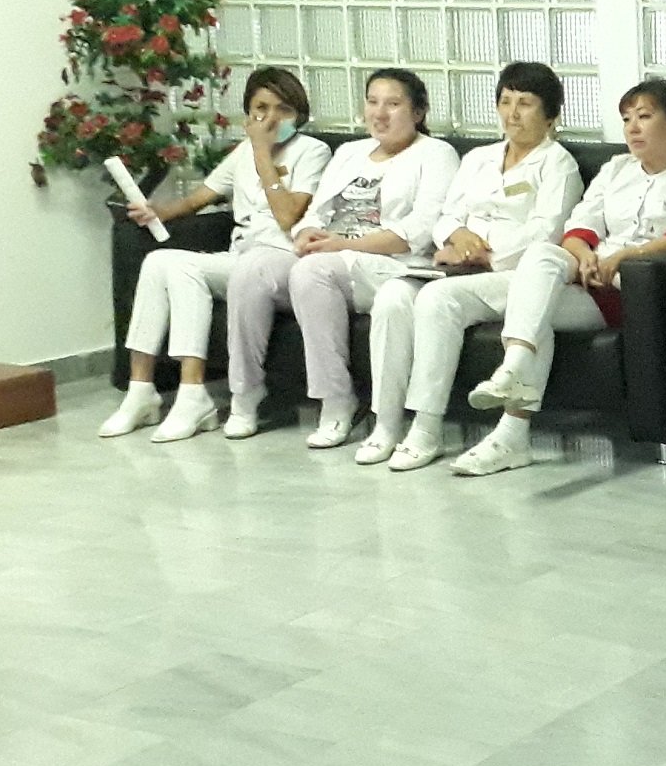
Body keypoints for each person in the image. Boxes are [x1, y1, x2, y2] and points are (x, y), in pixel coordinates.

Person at [456, 78, 666, 477]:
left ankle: (511, 420)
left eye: (644, 117)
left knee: (534, 307)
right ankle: (513, 391)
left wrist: (626, 257)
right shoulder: (617, 168)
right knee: (541, 262)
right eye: (627, 119)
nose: (633, 128)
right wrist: (584, 255)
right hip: (591, 280)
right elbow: (580, 224)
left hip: (638, 290)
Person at [352, 62, 583, 471]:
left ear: (550, 115)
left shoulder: (558, 164)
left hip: (512, 274)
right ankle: (386, 424)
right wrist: (457, 237)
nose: (512, 113)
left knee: (437, 300)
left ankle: (426, 428)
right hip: (457, 266)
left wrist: (485, 253)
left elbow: (546, 231)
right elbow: (446, 216)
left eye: (525, 104)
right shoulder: (478, 158)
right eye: (506, 102)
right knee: (393, 296)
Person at [222, 67, 457, 444]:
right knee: (254, 267)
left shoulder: (436, 154)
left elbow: (419, 231)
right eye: (373, 102)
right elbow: (315, 213)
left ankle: (335, 399)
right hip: (332, 255)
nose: (379, 113)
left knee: (312, 271)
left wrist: (341, 245)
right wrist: (305, 233)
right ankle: (245, 393)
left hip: (390, 265)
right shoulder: (350, 152)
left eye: (393, 104)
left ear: (417, 112)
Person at [100, 66, 328, 443]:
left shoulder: (312, 151)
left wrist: (262, 153)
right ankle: (141, 389)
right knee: (158, 261)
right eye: (261, 109)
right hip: (239, 259)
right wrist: (158, 212)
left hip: (283, 261)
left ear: (298, 115)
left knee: (185, 269)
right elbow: (197, 199)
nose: (271, 119)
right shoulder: (242, 153)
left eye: (283, 109)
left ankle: (193, 394)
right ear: (248, 114)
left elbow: (289, 217)